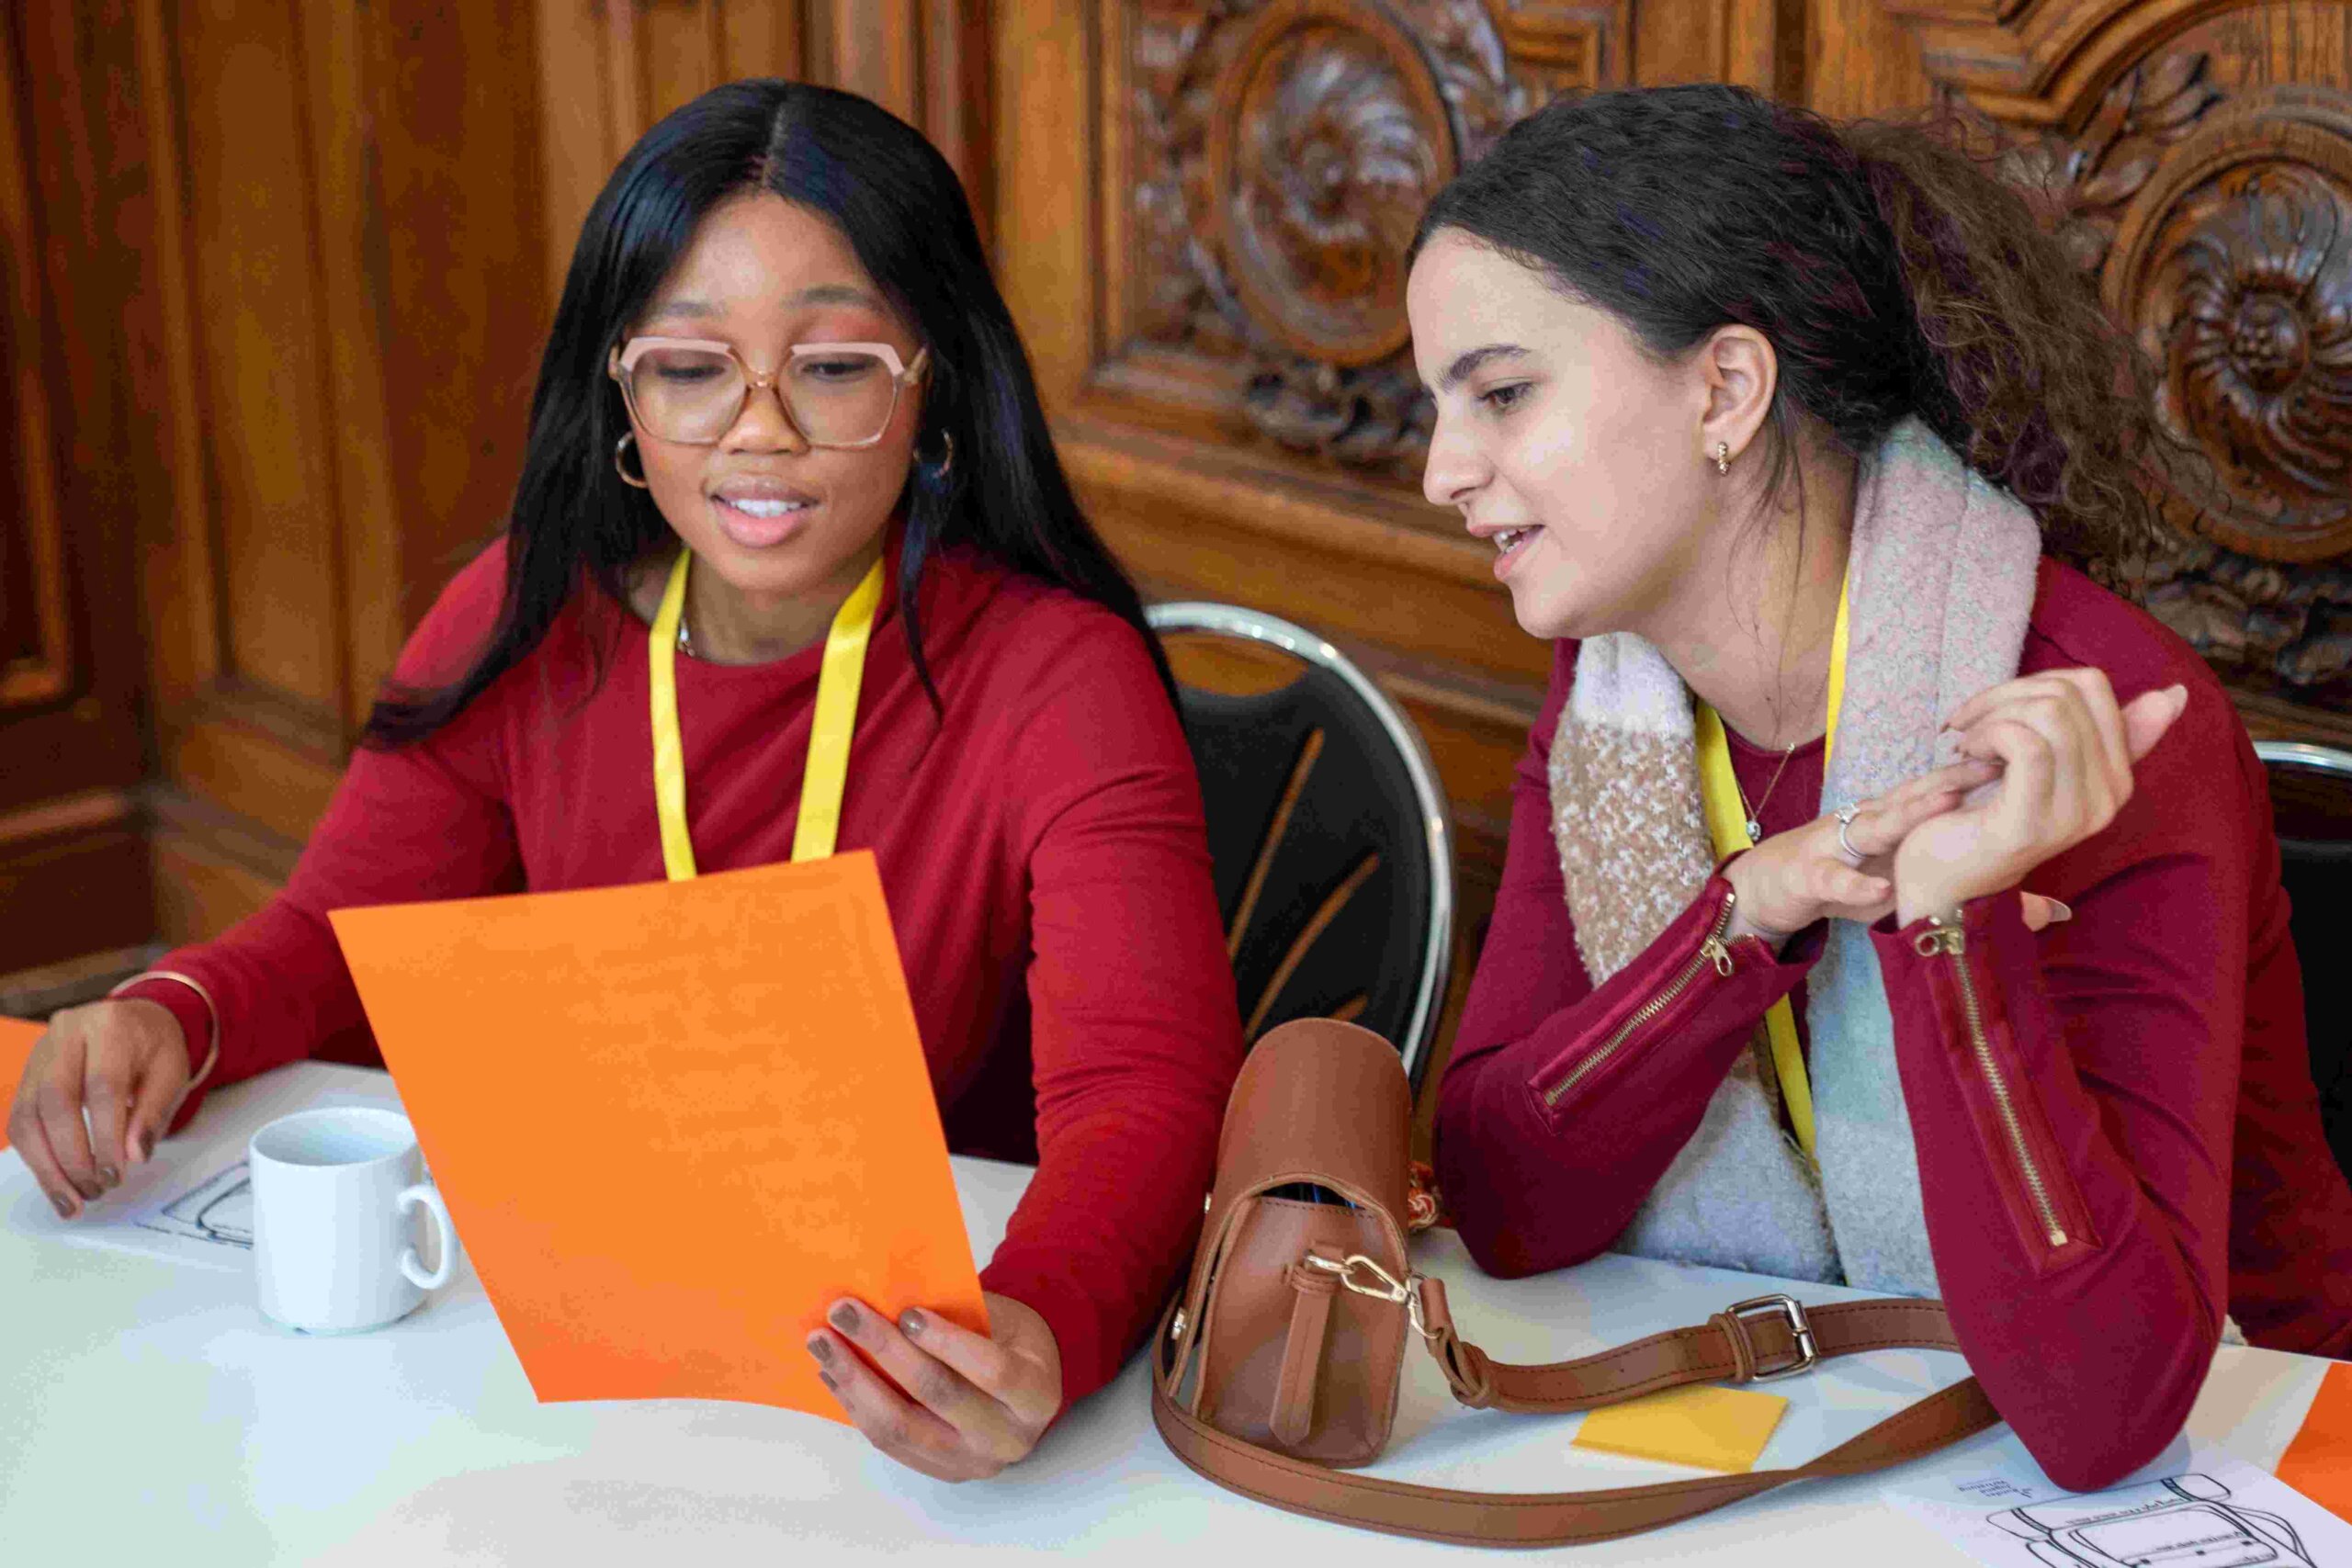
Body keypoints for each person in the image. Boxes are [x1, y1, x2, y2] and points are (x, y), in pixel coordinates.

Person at [7, 80, 1244, 1481]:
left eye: (833, 367)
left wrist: (1037, 1325)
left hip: (909, 1367)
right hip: (600, 1345)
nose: (756, 433)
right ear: (620, 387)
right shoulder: (523, 615)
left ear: (932, 382)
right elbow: (334, 943)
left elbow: (1144, 1095)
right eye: (690, 367)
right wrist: (173, 1005)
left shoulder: (1058, 673)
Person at [1408, 84, 2352, 1491]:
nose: (1440, 472)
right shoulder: (1618, 698)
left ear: (1726, 389)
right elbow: (1505, 1202)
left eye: (1500, 394)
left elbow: (2103, 1409)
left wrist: (1952, 930)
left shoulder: (2085, 722)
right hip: (1845, 1440)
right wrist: (1742, 920)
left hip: (2253, 1461)